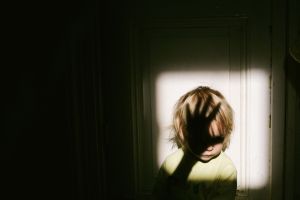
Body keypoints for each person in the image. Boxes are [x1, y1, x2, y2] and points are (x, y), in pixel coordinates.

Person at [152, 86, 237, 200]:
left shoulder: (226, 169)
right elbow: (158, 195)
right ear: (183, 133)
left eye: (216, 139)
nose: (208, 147)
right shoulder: (170, 164)